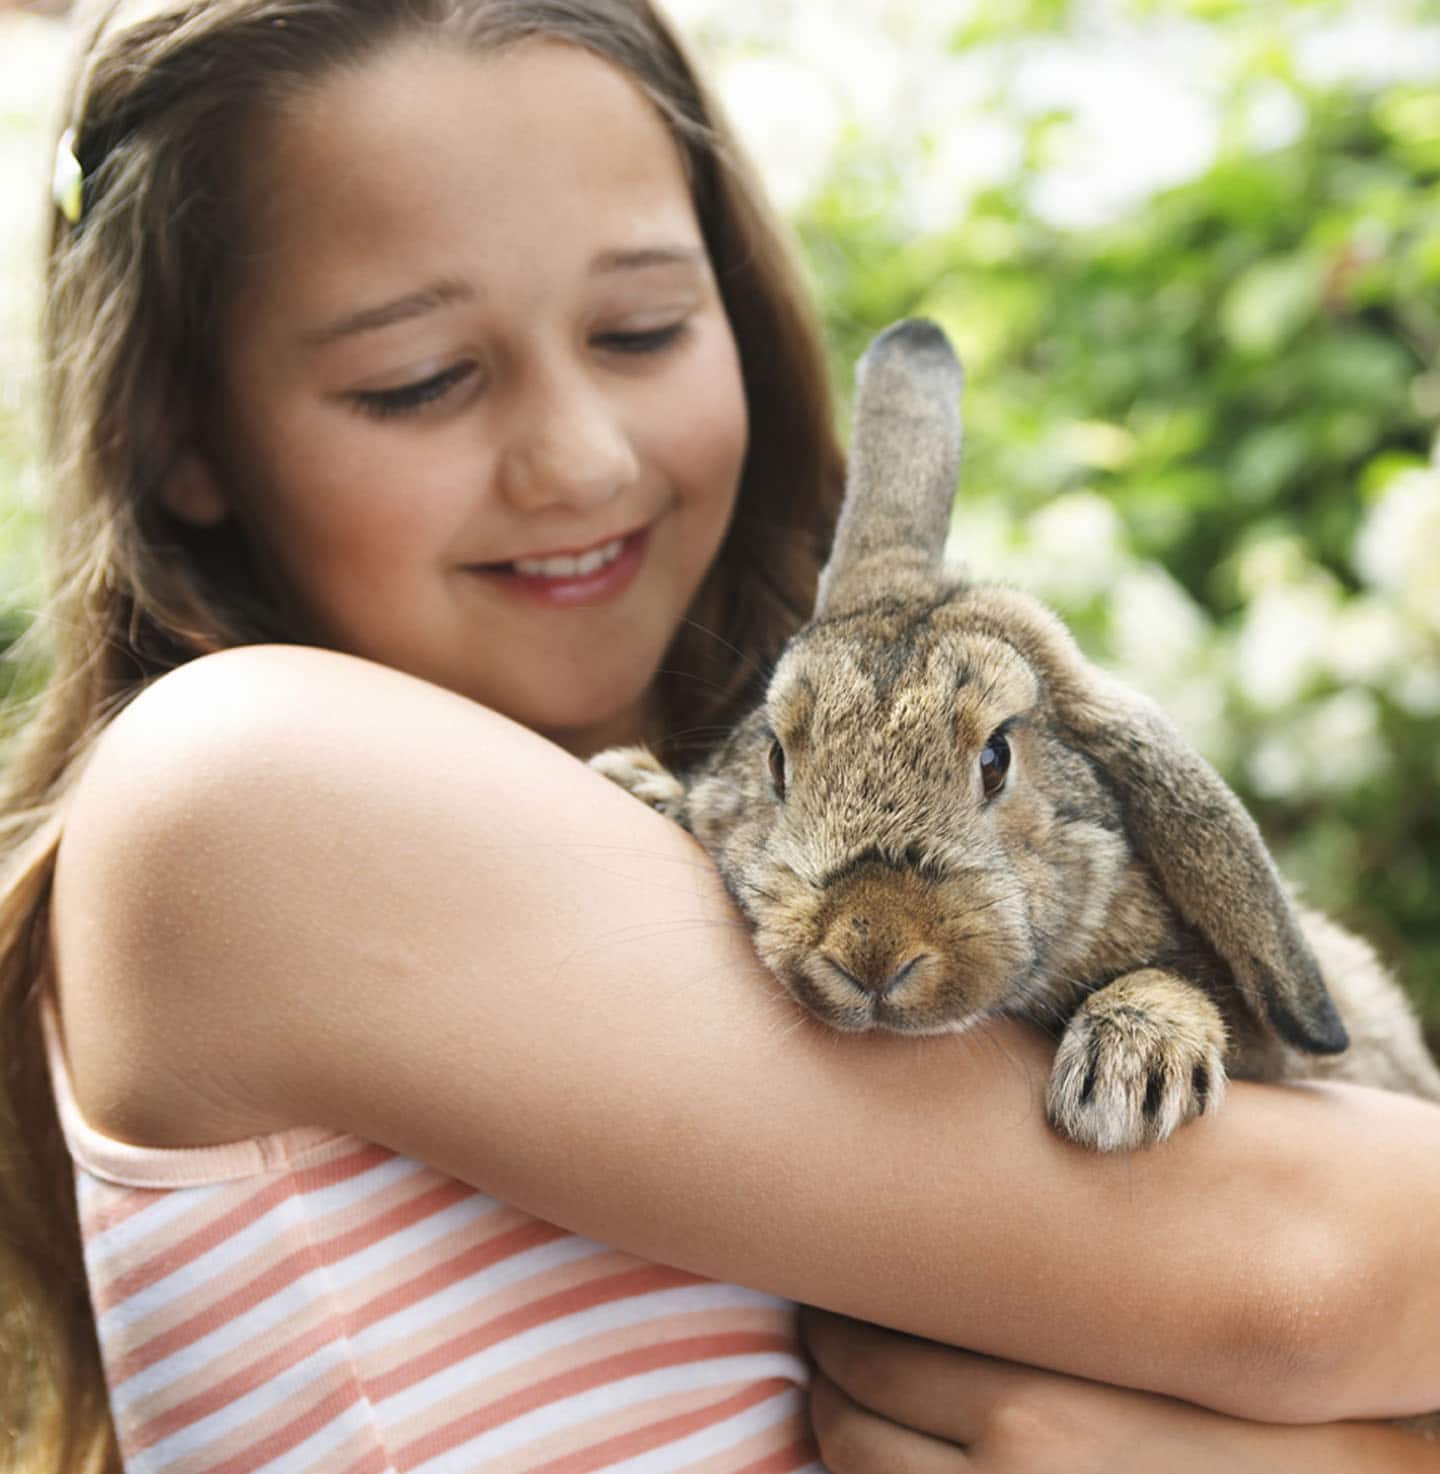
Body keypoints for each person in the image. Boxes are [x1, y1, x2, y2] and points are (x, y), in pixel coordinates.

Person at [1, 0, 1438, 1470]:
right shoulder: (244, 791)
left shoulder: (731, 824)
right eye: (417, 379)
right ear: (183, 428)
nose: (582, 458)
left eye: (642, 329)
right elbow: (1302, 1271)